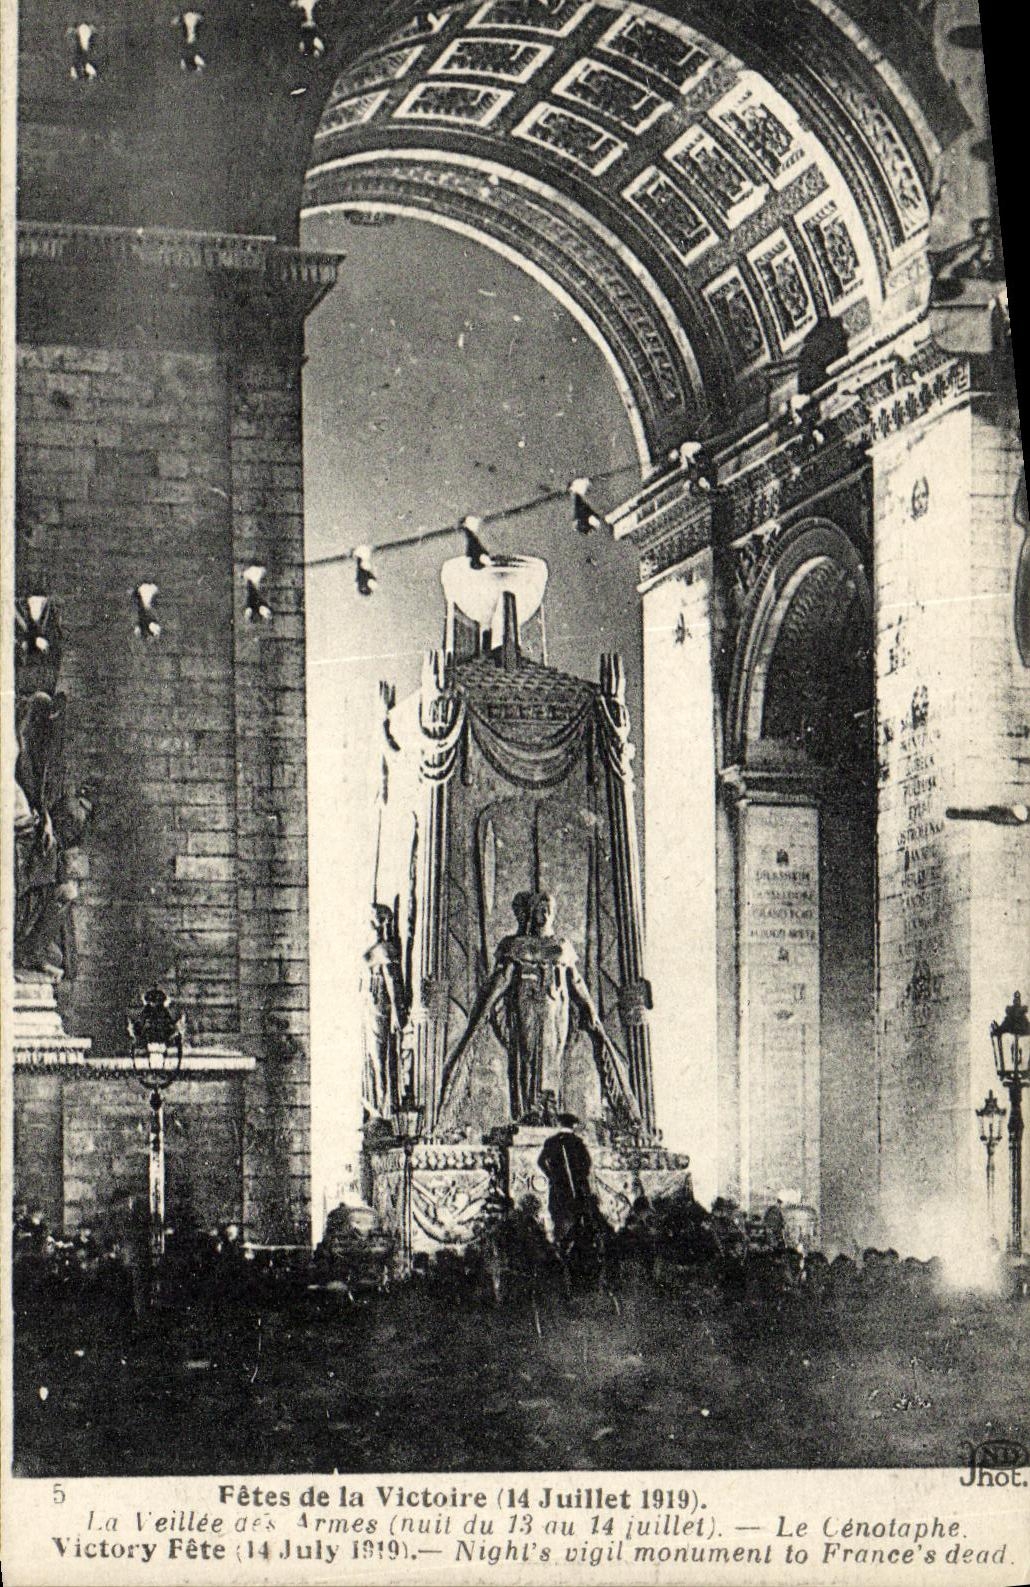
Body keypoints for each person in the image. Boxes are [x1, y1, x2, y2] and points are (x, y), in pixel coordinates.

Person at [439, 890, 640, 1127]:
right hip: (528, 1003)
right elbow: (503, 978)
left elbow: (575, 981)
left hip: (557, 1008)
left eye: (547, 910)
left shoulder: (561, 945)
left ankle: (550, 1106)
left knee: (552, 1054)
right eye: (538, 910)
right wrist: (484, 1008)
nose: (543, 915)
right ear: (530, 914)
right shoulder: (516, 945)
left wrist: (590, 1010)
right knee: (528, 1051)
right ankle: (530, 1107)